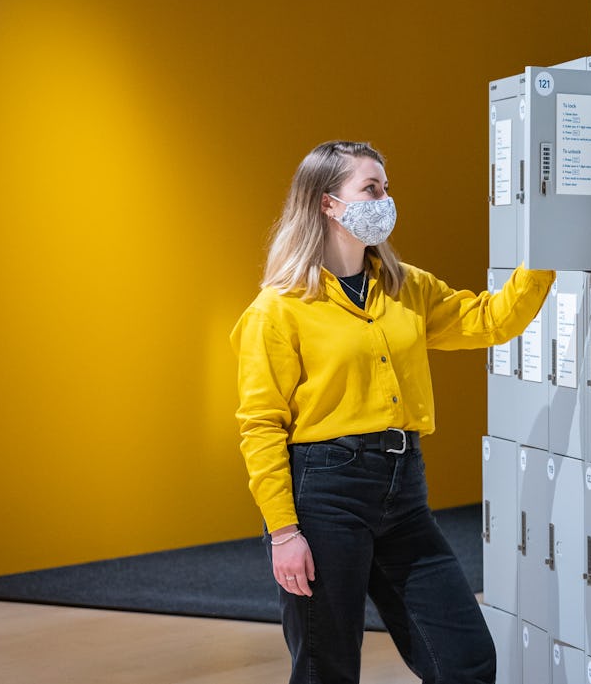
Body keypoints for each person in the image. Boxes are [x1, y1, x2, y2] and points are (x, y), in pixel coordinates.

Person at [229, 140, 554, 684]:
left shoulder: (407, 287)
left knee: (466, 660)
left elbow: (491, 321)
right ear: (328, 204)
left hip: (403, 491)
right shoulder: (277, 308)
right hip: (324, 493)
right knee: (325, 668)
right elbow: (260, 424)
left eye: (386, 187)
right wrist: (284, 532)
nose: (386, 199)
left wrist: (545, 253)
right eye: (371, 188)